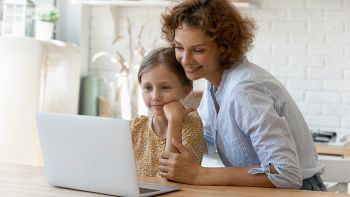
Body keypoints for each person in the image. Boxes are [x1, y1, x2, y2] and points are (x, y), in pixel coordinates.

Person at [158, 0, 326, 191]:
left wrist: (199, 174)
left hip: (298, 192)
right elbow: (206, 142)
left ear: (223, 46)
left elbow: (285, 173)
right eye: (179, 47)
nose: (185, 60)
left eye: (198, 50)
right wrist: (172, 121)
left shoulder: (243, 90)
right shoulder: (215, 83)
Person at [131, 47, 207, 177]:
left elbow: (172, 176)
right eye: (148, 87)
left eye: (164, 88)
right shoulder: (136, 126)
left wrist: (175, 120)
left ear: (185, 90)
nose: (155, 96)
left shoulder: (192, 126)